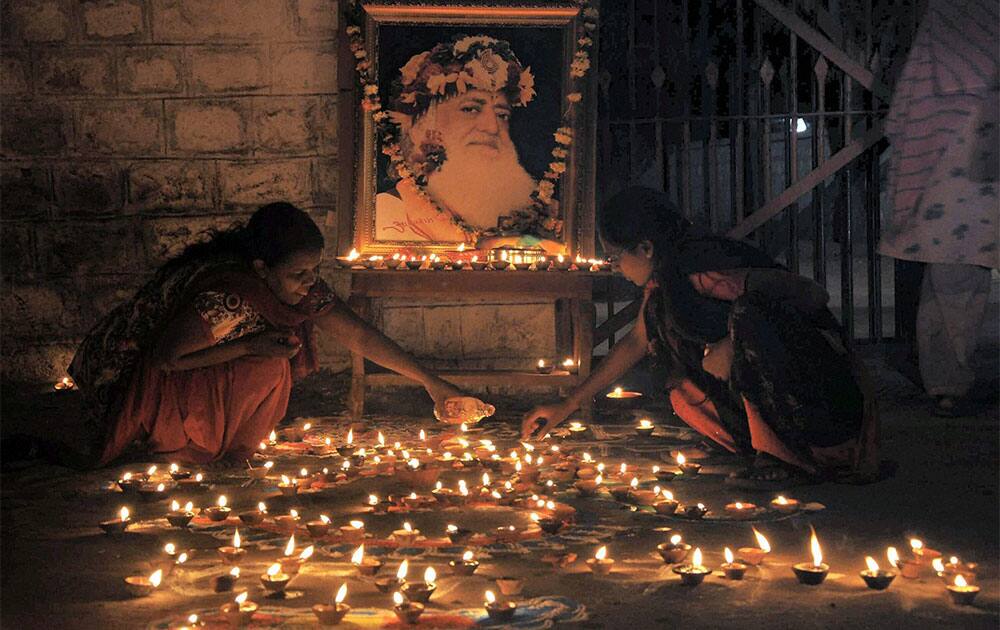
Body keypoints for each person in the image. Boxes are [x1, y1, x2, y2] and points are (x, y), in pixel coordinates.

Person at [522, 187, 880, 484]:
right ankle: (759, 446)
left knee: (748, 315)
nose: (616, 268)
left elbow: (812, 296)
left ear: (646, 248)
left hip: (829, 413)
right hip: (781, 403)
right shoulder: (665, 283)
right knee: (676, 373)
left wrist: (734, 339)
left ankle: (789, 459)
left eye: (616, 257)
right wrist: (567, 405)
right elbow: (636, 341)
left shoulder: (706, 266)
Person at [70, 202, 462, 466]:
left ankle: (214, 445)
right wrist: (249, 345)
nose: (310, 284)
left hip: (167, 374)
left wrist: (432, 383)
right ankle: (186, 447)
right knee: (268, 366)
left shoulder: (291, 285)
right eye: (298, 275)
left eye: (314, 272)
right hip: (122, 387)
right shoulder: (231, 297)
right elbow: (167, 359)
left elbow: (358, 335)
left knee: (269, 361)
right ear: (261, 268)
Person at [878, 0, 998, 417]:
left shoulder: (943, 21)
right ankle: (947, 383)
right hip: (971, 176)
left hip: (951, 177)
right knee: (956, 284)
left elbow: (908, 110)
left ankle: (945, 383)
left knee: (948, 283)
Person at [375, 35, 539, 242]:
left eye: (502, 114)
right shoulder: (386, 214)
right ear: (422, 125)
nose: (492, 127)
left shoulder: (532, 218)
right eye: (470, 109)